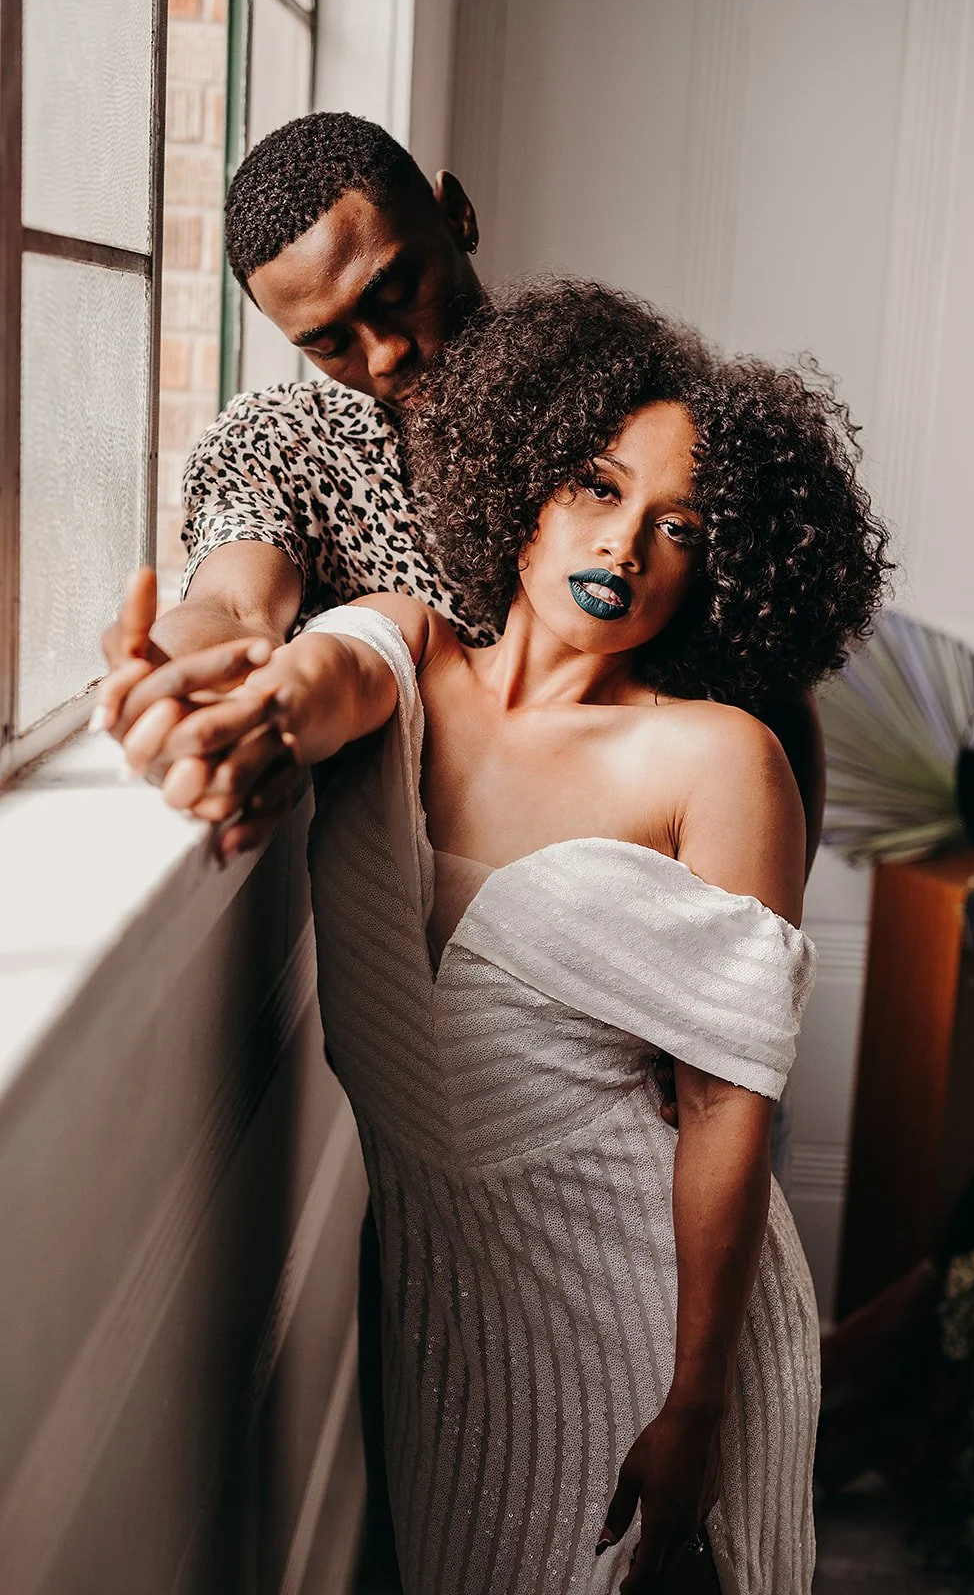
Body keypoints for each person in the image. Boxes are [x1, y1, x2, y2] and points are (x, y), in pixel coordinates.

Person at [107, 281, 890, 1593]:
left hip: (656, 1324)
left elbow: (724, 1112)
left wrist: (694, 1407)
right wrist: (230, 708)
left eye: (679, 525)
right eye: (594, 482)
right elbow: (323, 672)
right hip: (448, 1316)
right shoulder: (416, 655)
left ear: (724, 564)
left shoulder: (720, 760)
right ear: (523, 475)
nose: (624, 543)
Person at [99, 111, 824, 870]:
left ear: (456, 214)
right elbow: (235, 607)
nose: (383, 356)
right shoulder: (285, 448)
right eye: (329, 342)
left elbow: (765, 675)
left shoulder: (617, 411)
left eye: (396, 290)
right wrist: (174, 676)